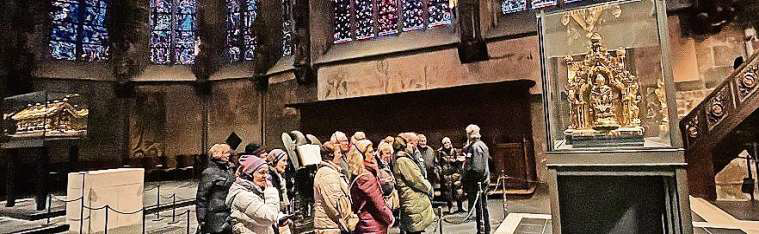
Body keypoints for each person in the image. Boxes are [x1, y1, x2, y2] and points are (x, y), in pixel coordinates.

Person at [226, 156, 288, 234]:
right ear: (249, 174)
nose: (266, 176)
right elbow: (270, 217)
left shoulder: (255, 191)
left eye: (267, 172)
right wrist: (270, 191)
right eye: (262, 172)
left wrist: (278, 219)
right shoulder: (242, 195)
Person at [347, 140, 395, 234]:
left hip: (365, 220)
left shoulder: (359, 171)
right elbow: (378, 203)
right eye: (370, 152)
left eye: (373, 151)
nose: (373, 154)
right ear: (361, 155)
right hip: (372, 223)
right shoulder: (366, 176)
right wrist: (390, 218)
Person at [393, 134, 435, 234]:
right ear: (405, 145)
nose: (414, 146)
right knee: (414, 231)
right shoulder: (403, 161)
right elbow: (417, 180)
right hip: (413, 201)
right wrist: (429, 189)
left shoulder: (404, 159)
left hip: (412, 200)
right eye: (411, 144)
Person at [314, 142, 359, 234]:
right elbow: (336, 201)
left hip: (332, 226)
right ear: (330, 155)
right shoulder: (327, 173)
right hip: (329, 227)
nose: (341, 156)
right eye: (338, 153)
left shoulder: (331, 171)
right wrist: (350, 218)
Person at [196, 144, 235, 234]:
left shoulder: (230, 170)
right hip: (215, 214)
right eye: (225, 153)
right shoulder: (209, 172)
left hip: (229, 210)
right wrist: (201, 218)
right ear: (218, 154)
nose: (228, 155)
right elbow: (202, 197)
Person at [463, 124, 491, 234]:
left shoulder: (476, 147)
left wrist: (466, 176)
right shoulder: (479, 145)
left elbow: (477, 168)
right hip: (480, 181)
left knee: (481, 208)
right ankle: (483, 230)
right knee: (481, 207)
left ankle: (483, 230)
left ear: (470, 134)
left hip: (478, 183)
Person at [437, 137, 465, 214]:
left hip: (455, 173)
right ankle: (451, 207)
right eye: (445, 143)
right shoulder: (440, 152)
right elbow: (438, 163)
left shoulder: (454, 150)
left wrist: (457, 163)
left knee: (458, 190)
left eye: (448, 142)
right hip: (446, 174)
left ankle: (460, 207)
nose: (447, 144)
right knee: (448, 192)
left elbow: (458, 160)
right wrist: (441, 172)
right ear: (443, 144)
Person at [267, 149, 291, 234]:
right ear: (275, 161)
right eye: (283, 160)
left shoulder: (280, 177)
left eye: (286, 161)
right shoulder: (270, 178)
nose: (286, 164)